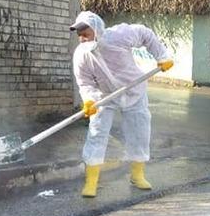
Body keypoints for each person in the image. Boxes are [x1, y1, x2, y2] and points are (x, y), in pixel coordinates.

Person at [69, 11, 173, 198]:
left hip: (134, 90)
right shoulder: (81, 55)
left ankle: (137, 175)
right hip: (105, 96)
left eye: (86, 34)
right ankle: (91, 181)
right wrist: (90, 100)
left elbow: (145, 34)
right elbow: (85, 83)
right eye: (80, 35)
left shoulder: (119, 35)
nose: (82, 39)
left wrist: (162, 56)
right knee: (96, 132)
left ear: (97, 30)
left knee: (139, 131)